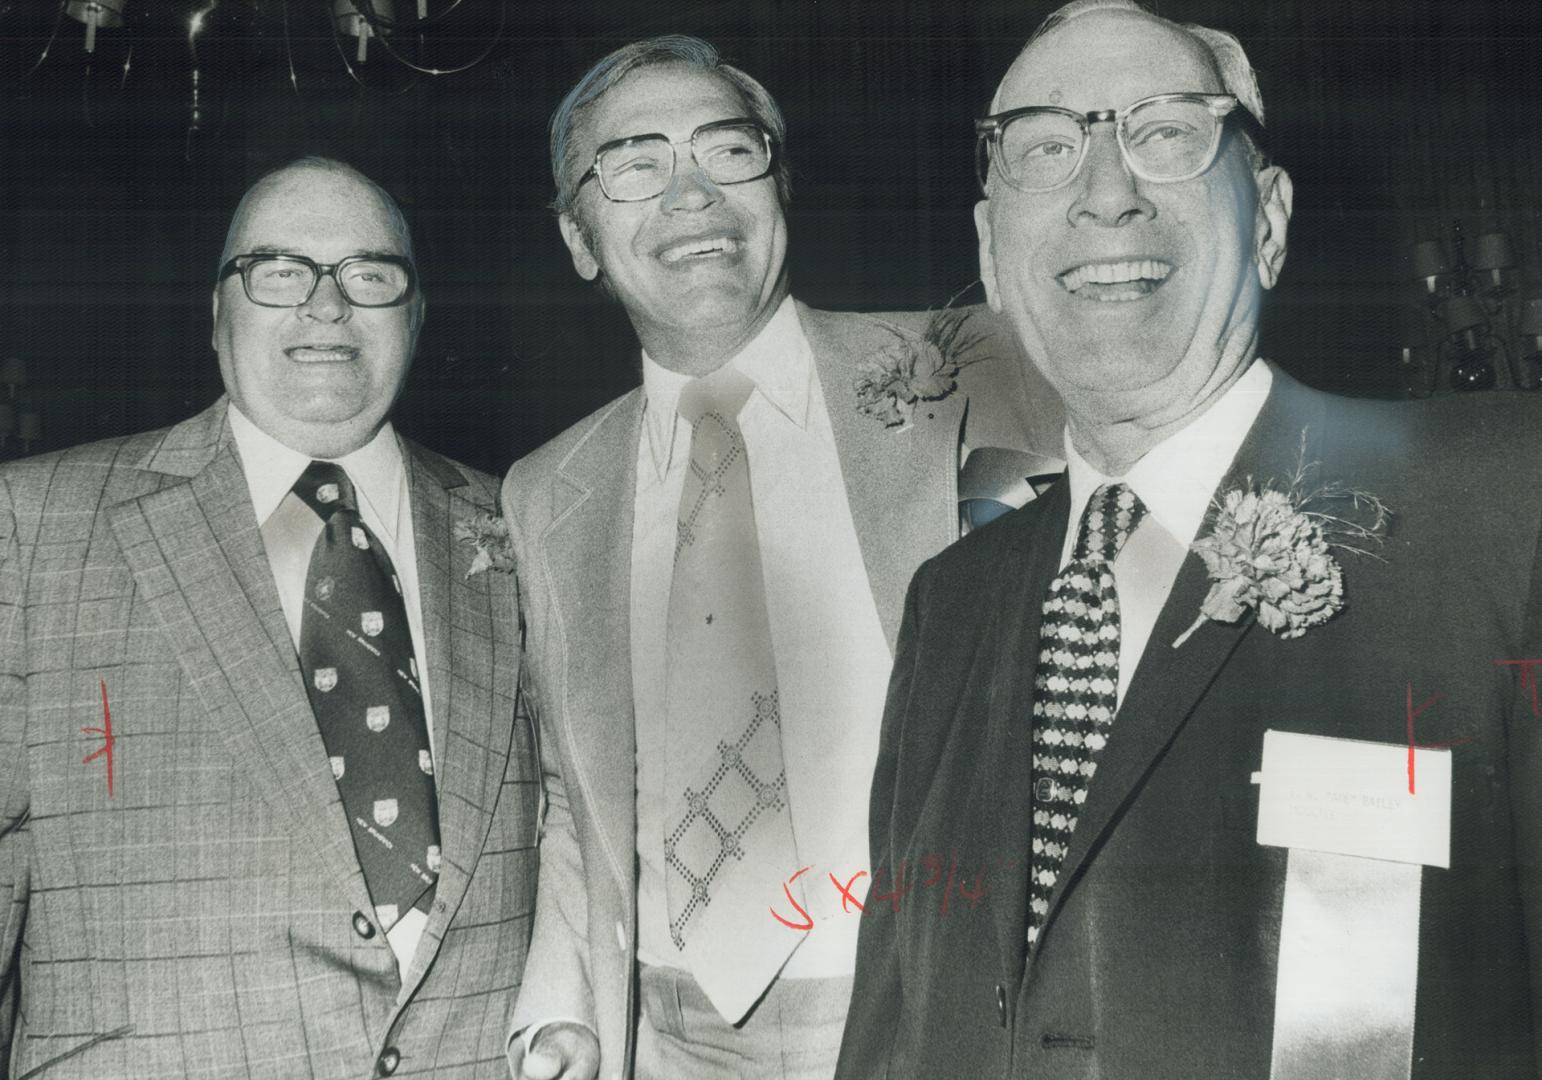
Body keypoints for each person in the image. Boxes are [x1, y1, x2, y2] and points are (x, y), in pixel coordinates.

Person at [837, 3, 1542, 1078]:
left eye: (1168, 134)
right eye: (1045, 148)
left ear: (1267, 216)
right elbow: (890, 1028)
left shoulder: (1502, 504)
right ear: (989, 248)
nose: (1107, 192)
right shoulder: (952, 600)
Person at [500, 34, 1062, 1080]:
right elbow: (568, 790)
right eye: (635, 165)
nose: (691, 194)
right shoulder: (547, 490)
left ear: (779, 184)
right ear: (580, 239)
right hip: (667, 1038)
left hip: (939, 1015)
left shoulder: (982, 369)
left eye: (729, 148)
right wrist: (561, 1016)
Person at [0, 157, 537, 1079]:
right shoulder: (31, 525)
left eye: (371, 275)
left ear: (415, 316)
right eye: (280, 271)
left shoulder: (530, 523)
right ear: (216, 316)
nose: (328, 306)